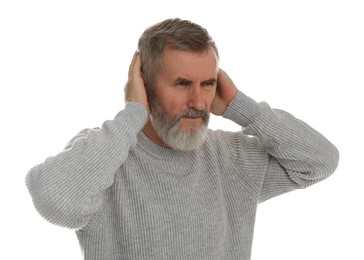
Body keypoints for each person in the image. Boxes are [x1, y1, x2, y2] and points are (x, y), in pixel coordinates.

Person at [26, 18, 339, 260]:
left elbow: (320, 160)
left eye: (207, 83)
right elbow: (55, 201)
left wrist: (243, 107)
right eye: (181, 83)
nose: (200, 102)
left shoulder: (231, 158)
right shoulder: (107, 154)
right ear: (144, 83)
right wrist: (134, 113)